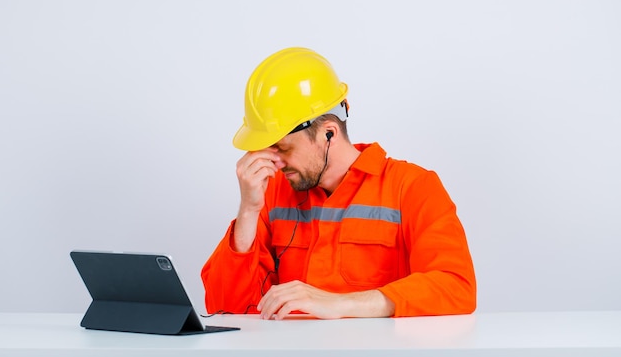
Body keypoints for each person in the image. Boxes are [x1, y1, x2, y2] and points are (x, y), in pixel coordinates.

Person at [201, 47, 476, 320]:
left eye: (282, 148)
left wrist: (341, 304)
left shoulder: (412, 187)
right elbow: (224, 306)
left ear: (328, 132)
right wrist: (248, 210)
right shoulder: (272, 193)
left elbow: (456, 287)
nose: (276, 163)